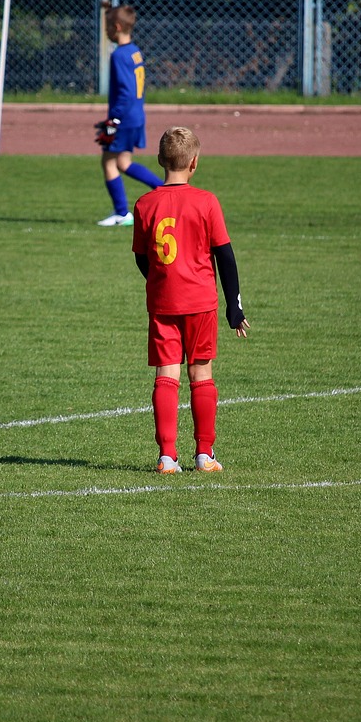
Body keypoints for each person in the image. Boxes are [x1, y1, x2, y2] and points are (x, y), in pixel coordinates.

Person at [132, 126, 249, 474]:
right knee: (201, 373)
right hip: (201, 302)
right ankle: (204, 454)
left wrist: (160, 280)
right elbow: (225, 257)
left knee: (165, 374)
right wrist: (234, 305)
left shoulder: (144, 204)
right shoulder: (206, 201)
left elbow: (142, 257)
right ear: (194, 163)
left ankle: (167, 457)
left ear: (158, 161)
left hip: (163, 302)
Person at [96, 4, 165, 227]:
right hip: (136, 116)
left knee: (108, 162)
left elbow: (125, 92)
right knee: (124, 162)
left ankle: (121, 213)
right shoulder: (135, 51)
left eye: (107, 27)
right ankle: (165, 191)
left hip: (123, 118)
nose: (105, 31)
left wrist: (113, 120)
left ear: (116, 27)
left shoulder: (119, 55)